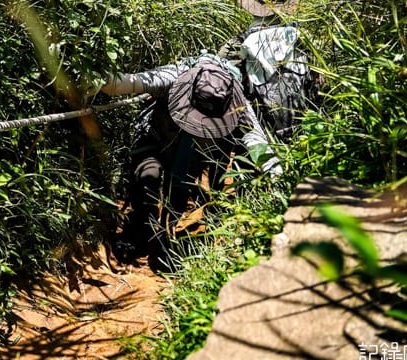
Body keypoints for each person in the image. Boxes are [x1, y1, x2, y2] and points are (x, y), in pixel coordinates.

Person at [98, 52, 280, 263]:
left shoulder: (238, 104)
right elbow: (122, 84)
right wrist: (91, 78)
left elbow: (257, 142)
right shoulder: (174, 76)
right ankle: (140, 227)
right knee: (149, 176)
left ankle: (165, 237)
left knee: (177, 197)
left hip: (193, 158)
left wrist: (277, 176)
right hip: (156, 140)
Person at [219, 0, 322, 142]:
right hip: (311, 133)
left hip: (260, 138)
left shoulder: (236, 46)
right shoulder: (304, 39)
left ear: (253, 5)